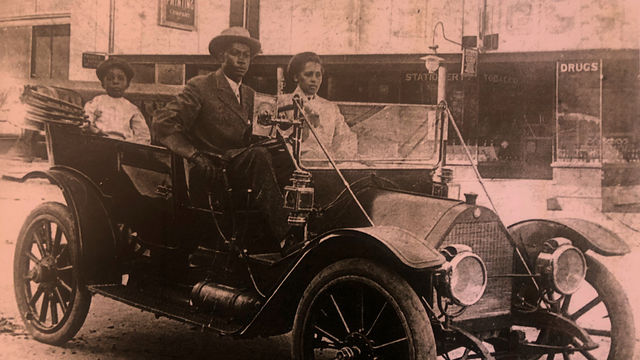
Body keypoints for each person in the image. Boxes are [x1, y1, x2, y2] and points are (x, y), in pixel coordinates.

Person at [152, 27, 296, 254]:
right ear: (221, 56)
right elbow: (163, 123)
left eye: (246, 55)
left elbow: (255, 134)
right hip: (215, 167)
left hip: (243, 166)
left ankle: (296, 226)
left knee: (288, 156)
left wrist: (279, 130)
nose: (241, 60)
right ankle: (286, 235)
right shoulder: (200, 86)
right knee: (259, 155)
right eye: (235, 53)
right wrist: (195, 155)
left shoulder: (249, 94)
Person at [278, 52, 357, 160]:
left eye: (318, 75)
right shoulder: (283, 103)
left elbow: (345, 137)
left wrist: (339, 157)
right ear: (296, 77)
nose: (314, 80)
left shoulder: (331, 108)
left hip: (328, 166)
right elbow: (281, 142)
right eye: (308, 74)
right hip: (296, 165)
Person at [83, 58, 150, 144]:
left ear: (127, 84)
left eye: (121, 79)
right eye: (110, 78)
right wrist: (93, 130)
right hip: (99, 142)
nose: (115, 82)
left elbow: (143, 134)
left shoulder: (132, 109)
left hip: (124, 147)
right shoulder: (97, 101)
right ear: (103, 84)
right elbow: (86, 120)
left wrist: (134, 147)